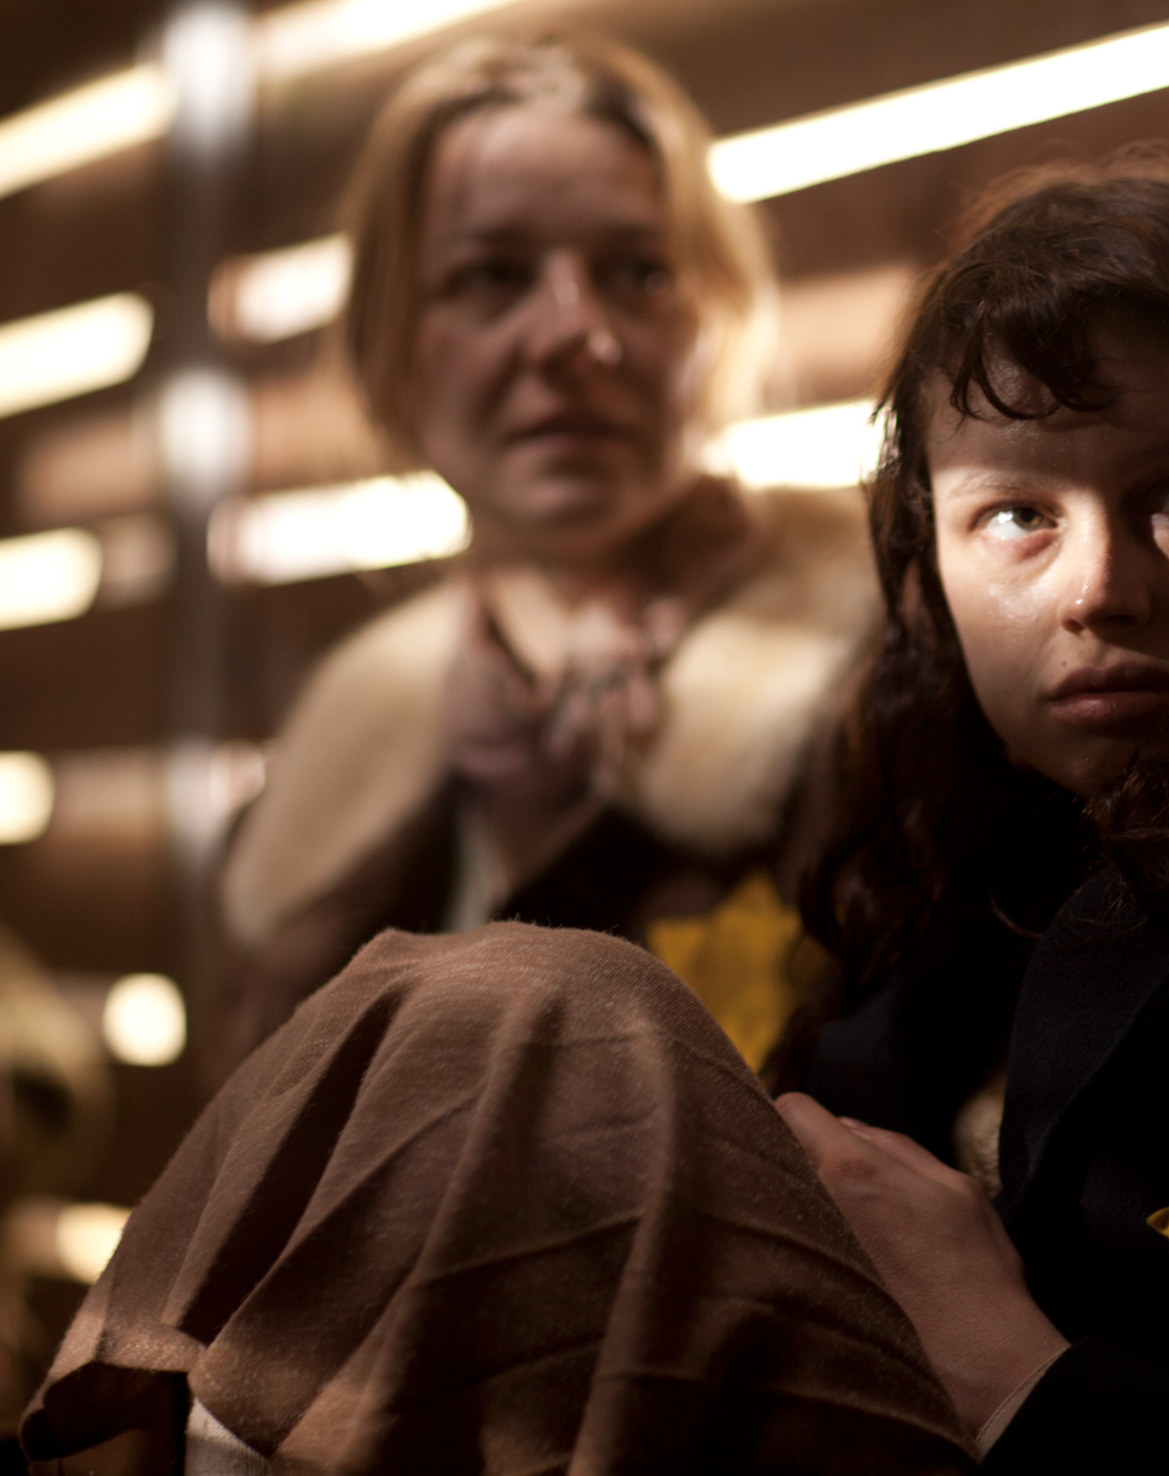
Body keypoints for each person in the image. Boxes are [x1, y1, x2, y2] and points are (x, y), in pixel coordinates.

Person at [21, 162, 1169, 1473]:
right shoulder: (972, 850)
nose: (1098, 587)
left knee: (543, 1008)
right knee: (482, 1003)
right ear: (923, 573)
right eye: (1015, 517)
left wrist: (1016, 1374)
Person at [201, 33, 876, 1092]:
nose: (574, 335)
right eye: (492, 276)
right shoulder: (325, 781)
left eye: (638, 273)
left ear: (715, 315)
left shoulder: (880, 659)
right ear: (390, 345)